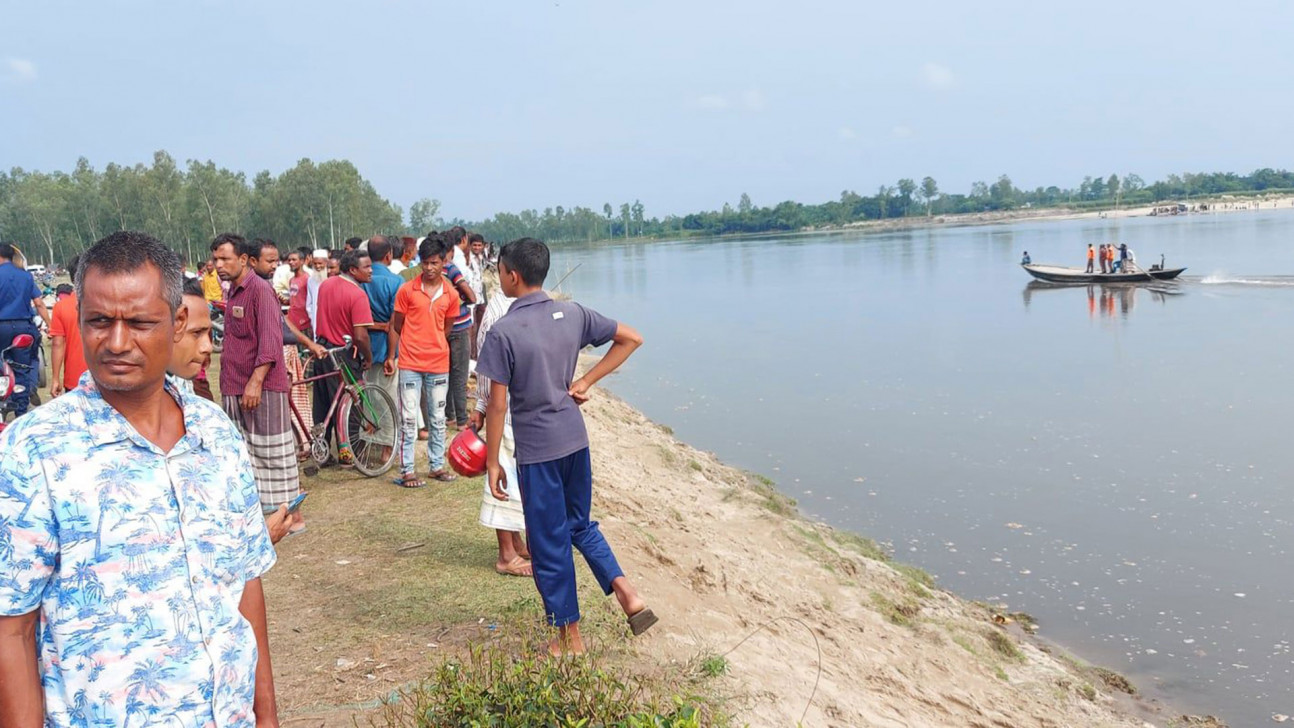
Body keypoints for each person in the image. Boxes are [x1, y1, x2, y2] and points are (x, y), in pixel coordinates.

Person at [0, 231, 279, 727]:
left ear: (176, 323)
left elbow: (245, 585)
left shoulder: (215, 434)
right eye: (99, 322)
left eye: (140, 323)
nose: (117, 342)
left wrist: (267, 717)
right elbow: (11, 630)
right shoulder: (33, 451)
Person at [477, 237, 656, 656]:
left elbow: (498, 404)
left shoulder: (504, 332)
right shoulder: (572, 313)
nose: (500, 277)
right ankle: (627, 593)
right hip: (575, 440)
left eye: (501, 271)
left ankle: (568, 640)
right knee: (579, 524)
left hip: (538, 450)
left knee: (548, 541)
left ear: (512, 275)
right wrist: (585, 382)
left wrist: (491, 463)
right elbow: (631, 338)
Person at [212, 233, 303, 520]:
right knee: (245, 452)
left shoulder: (260, 290)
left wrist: (256, 381)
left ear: (243, 260)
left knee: (273, 451)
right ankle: (262, 516)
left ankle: (291, 517)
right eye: (215, 259)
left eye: (225, 258)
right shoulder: (233, 291)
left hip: (260, 387)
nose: (219, 265)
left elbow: (270, 342)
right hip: (234, 385)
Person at [386, 236, 461, 486]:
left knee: (437, 418)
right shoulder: (407, 290)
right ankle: (407, 469)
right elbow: (398, 324)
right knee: (408, 418)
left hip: (438, 363)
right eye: (425, 263)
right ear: (420, 262)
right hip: (409, 363)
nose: (429, 268)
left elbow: (447, 328)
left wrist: (433, 341)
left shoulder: (451, 294)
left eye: (435, 263)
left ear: (444, 262)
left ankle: (436, 466)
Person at [470, 287, 531, 576]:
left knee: (515, 476)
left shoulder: (516, 307)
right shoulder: (499, 316)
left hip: (516, 410)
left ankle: (517, 541)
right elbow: (488, 370)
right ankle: (506, 554)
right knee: (502, 474)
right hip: (504, 410)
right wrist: (482, 406)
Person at [313, 249, 374, 465]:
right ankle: (352, 452)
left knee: (322, 404)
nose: (370, 271)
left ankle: (321, 449)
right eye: (366, 267)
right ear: (352, 270)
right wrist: (368, 356)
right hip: (343, 353)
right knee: (350, 403)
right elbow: (360, 335)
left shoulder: (326, 285)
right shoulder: (357, 295)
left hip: (321, 349)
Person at [0, 242, 50, 417]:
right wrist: (49, 324)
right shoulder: (26, 276)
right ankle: (21, 410)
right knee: (22, 368)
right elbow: (39, 303)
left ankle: (3, 405)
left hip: (1, 328)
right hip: (23, 327)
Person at [362, 237, 403, 406]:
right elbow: (394, 323)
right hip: (387, 345)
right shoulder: (397, 282)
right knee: (389, 395)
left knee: (367, 393)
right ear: (389, 255)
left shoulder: (360, 280)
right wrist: (391, 356)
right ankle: (388, 431)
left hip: (364, 343)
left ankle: (369, 430)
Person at [443, 246, 477, 431]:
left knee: (446, 372)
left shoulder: (428, 273)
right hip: (459, 325)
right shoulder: (450, 269)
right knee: (459, 374)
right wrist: (460, 294)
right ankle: (462, 420)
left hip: (442, 329)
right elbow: (472, 297)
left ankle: (450, 416)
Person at [49, 255, 88, 397]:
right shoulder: (107, 303)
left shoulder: (61, 307)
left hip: (74, 378)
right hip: (103, 376)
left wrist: (55, 379)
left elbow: (58, 344)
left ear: (72, 278)